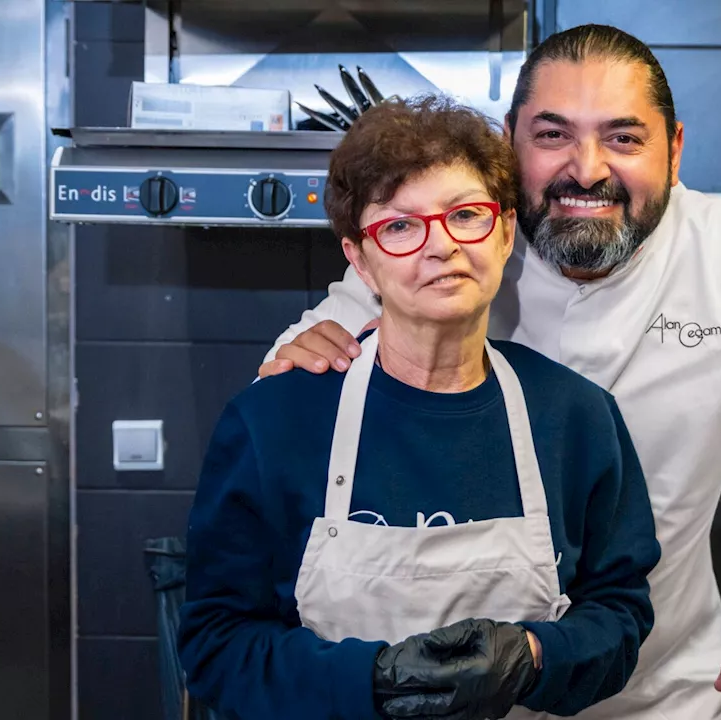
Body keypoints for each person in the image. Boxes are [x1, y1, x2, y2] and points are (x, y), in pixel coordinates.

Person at [261, 24, 721, 719]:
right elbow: (307, 359)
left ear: (674, 153)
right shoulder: (452, 239)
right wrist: (303, 355)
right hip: (423, 699)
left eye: (624, 138)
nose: (586, 169)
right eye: (552, 136)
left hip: (652, 696)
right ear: (509, 141)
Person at [178, 96, 661, 720]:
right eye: (401, 226)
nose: (441, 247)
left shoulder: (577, 417)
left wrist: (534, 655)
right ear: (361, 260)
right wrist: (369, 680)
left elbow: (619, 614)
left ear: (507, 230)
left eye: (466, 214)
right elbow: (216, 644)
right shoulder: (273, 421)